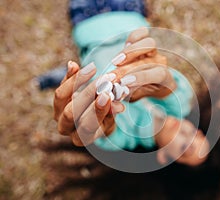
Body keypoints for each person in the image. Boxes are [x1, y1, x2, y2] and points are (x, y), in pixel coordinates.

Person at [53, 0, 209, 166]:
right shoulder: (182, 101)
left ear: (164, 157)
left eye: (185, 147)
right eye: (196, 133)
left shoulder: (126, 138)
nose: (186, 131)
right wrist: (161, 87)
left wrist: (99, 121)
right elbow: (168, 79)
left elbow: (103, 131)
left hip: (88, 24)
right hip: (128, 13)